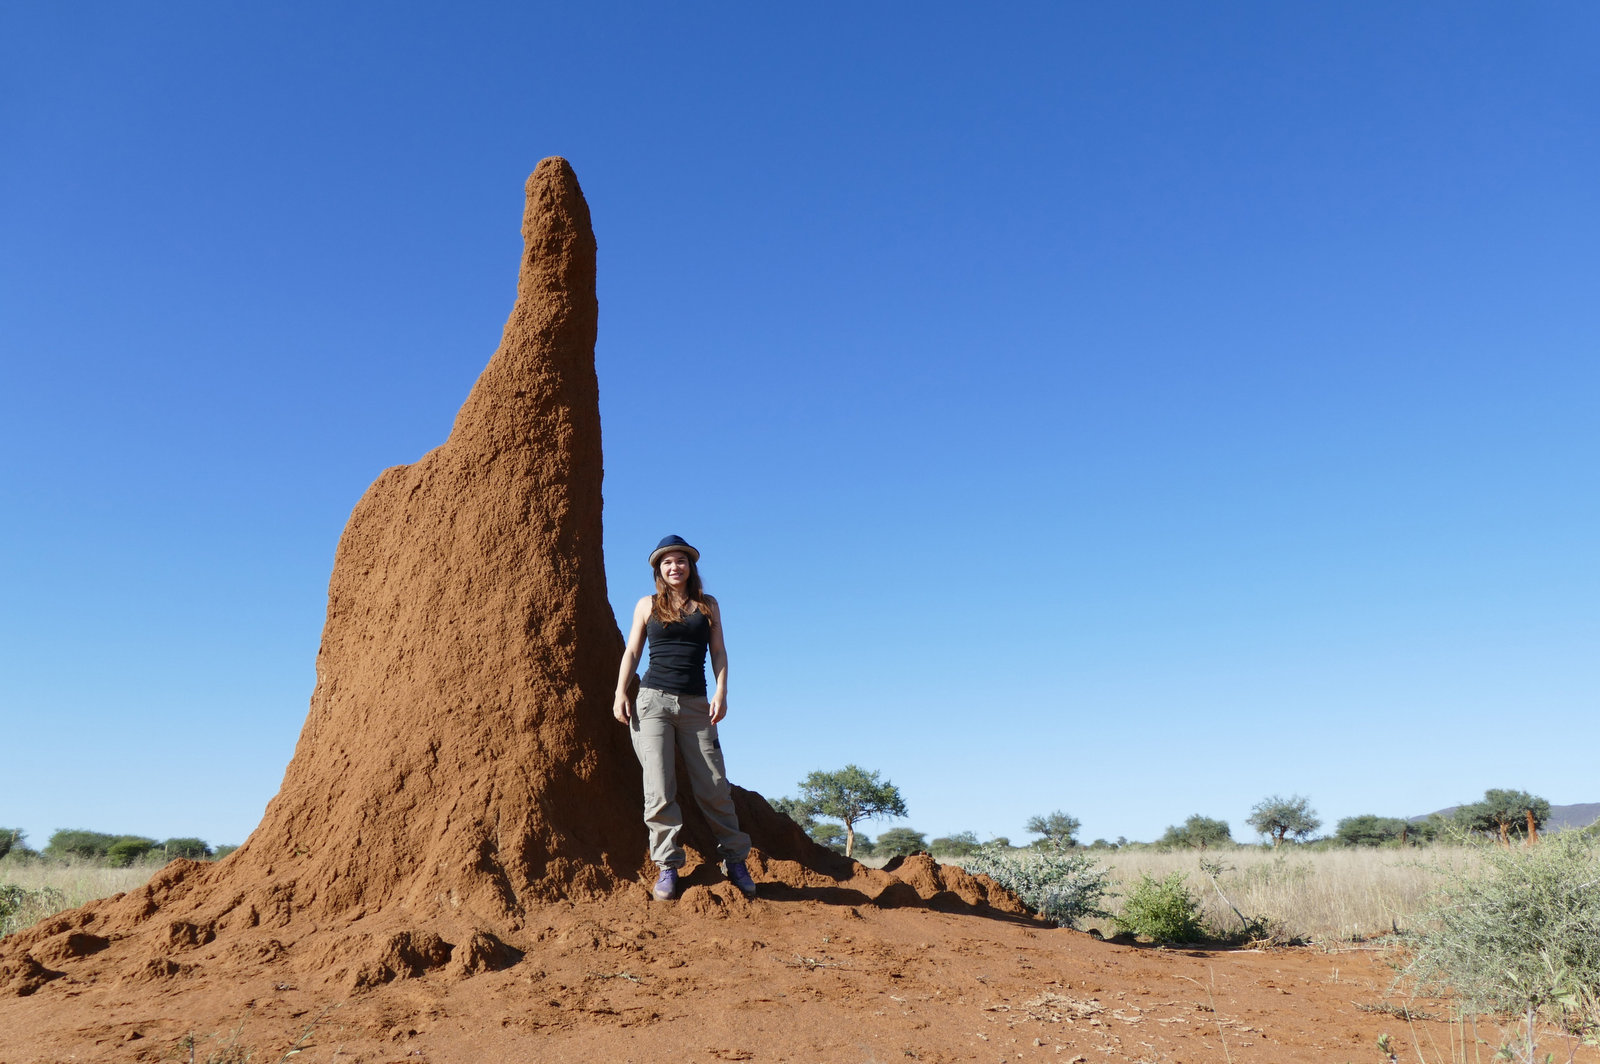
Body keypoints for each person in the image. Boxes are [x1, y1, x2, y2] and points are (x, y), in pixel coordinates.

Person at [613, 535, 758, 901]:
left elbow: (719, 652)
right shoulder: (647, 605)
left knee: (714, 785)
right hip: (652, 703)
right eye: (667, 562)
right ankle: (667, 866)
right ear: (659, 570)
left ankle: (735, 859)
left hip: (696, 704)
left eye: (680, 561)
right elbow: (632, 651)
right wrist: (620, 691)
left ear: (690, 567)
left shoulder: (708, 605)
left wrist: (722, 692)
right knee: (659, 788)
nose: (674, 567)